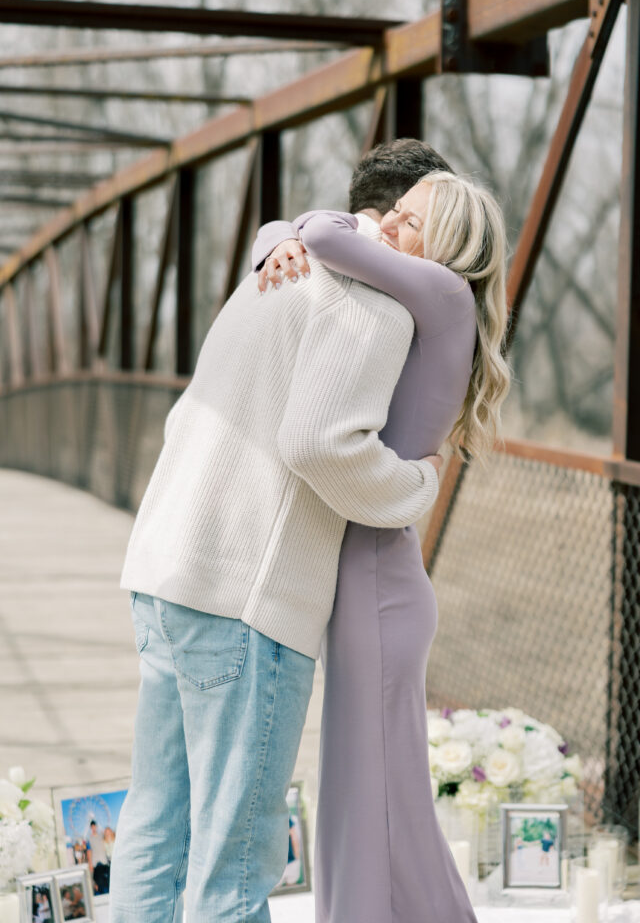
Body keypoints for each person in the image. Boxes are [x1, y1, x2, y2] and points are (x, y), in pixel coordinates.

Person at [109, 141, 448, 923]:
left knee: (156, 825)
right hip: (244, 599)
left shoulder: (276, 269)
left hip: (166, 567)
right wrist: (418, 484)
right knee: (233, 867)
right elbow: (318, 444)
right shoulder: (371, 303)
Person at [253, 155, 510, 923]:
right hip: (374, 585)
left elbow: (329, 233)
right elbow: (305, 234)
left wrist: (300, 234)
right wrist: (276, 239)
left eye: (410, 219)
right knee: (368, 792)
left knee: (374, 799)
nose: (388, 223)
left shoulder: (440, 292)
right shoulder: (420, 297)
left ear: (449, 244)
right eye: (390, 209)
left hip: (377, 589)